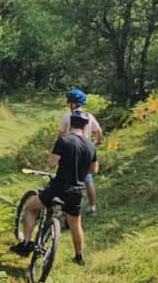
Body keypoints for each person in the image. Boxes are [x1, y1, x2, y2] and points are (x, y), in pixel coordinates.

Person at [13, 110, 98, 265]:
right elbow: (94, 170)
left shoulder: (64, 141)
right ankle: (79, 256)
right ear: (86, 126)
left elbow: (51, 163)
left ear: (71, 123)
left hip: (59, 187)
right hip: (77, 191)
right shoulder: (91, 146)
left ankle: (25, 243)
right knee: (76, 224)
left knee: (31, 209)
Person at [58, 88, 103, 214]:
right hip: (86, 151)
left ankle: (64, 208)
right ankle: (92, 206)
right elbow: (99, 131)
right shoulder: (89, 116)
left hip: (70, 151)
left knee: (65, 179)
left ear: (72, 103)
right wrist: (95, 143)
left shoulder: (67, 117)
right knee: (88, 179)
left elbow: (60, 135)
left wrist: (59, 148)